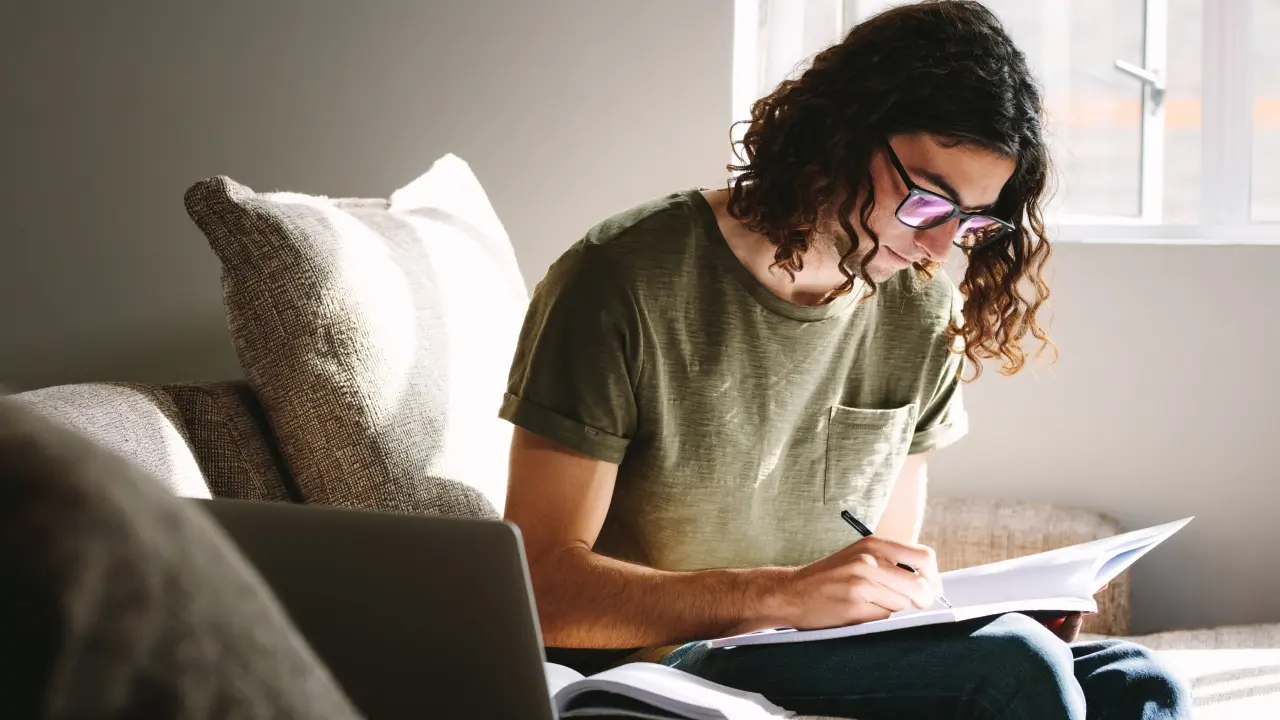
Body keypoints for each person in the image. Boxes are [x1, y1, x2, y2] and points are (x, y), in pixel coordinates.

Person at [498, 1, 1190, 717]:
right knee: (1015, 670)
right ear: (839, 133)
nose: (938, 248)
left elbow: (884, 567)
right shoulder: (620, 278)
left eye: (972, 222)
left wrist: (1003, 608)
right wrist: (782, 594)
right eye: (927, 200)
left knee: (1138, 680)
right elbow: (539, 591)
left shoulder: (919, 310)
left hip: (809, 649)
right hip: (666, 659)